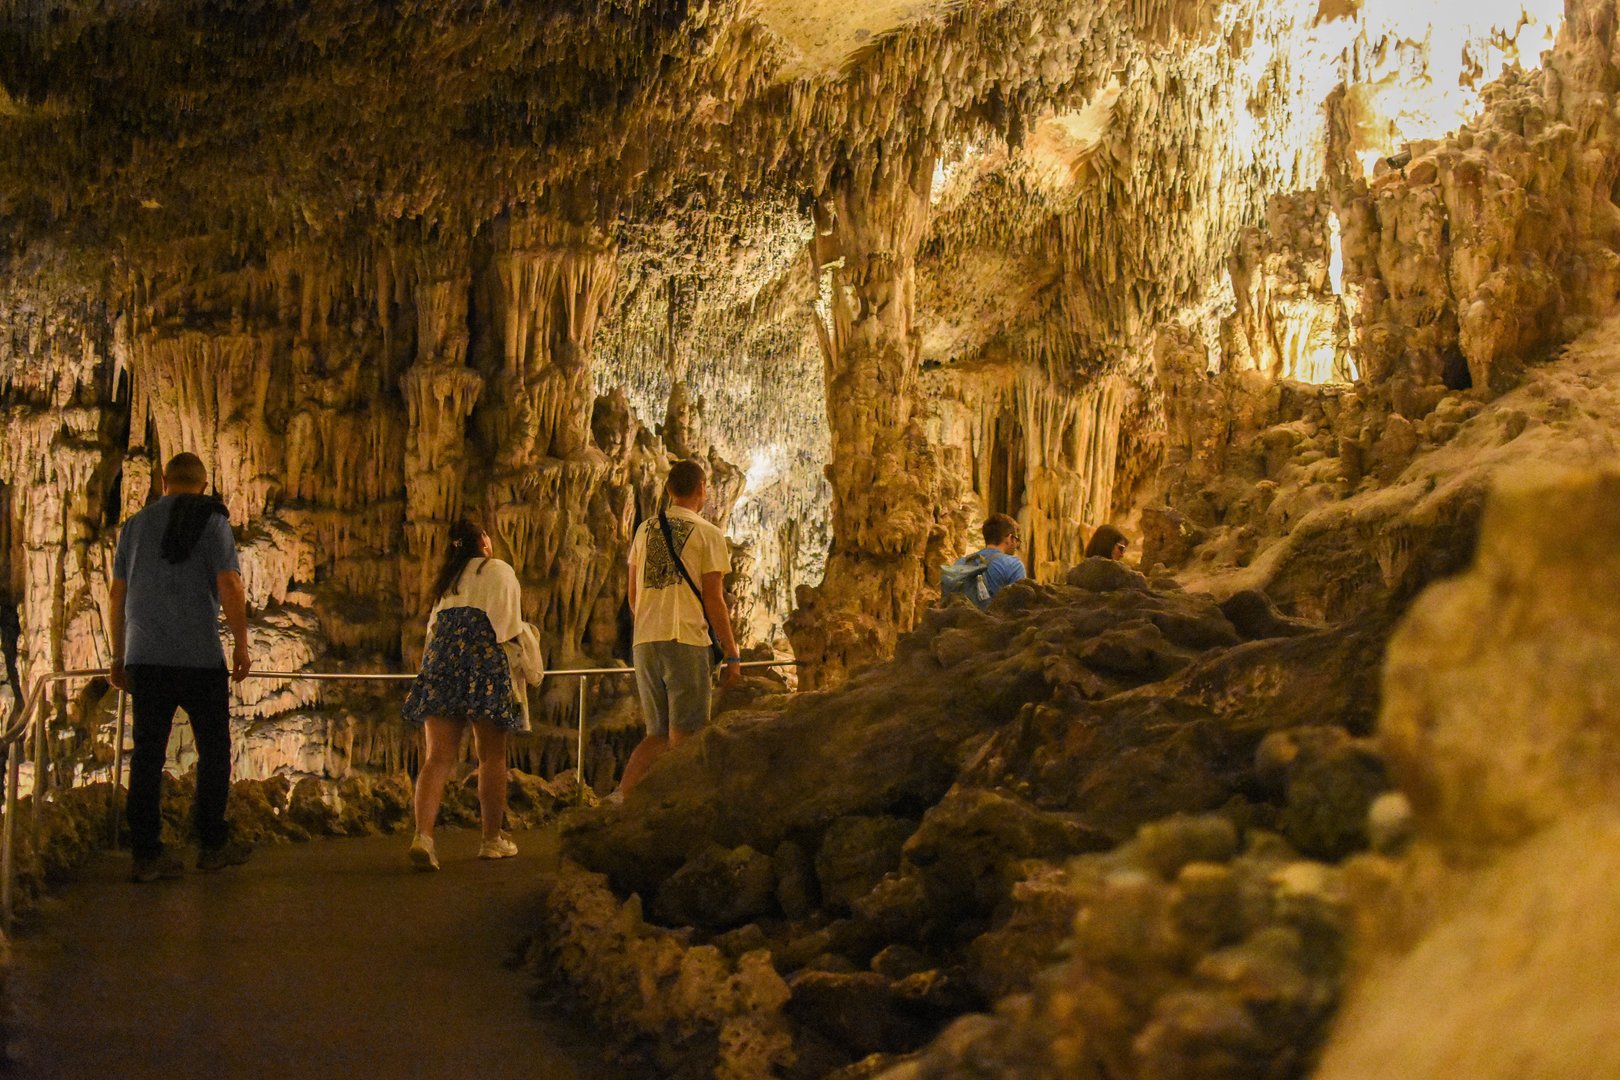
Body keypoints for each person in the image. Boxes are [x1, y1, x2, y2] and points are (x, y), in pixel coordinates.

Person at [108, 452, 252, 883]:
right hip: (199, 657)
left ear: (163, 481)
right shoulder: (212, 522)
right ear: (204, 485)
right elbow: (230, 583)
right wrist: (242, 645)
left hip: (146, 657)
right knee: (214, 751)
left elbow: (118, 594)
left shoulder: (133, 527)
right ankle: (211, 843)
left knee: (147, 756)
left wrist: (118, 654)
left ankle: (146, 854)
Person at [402, 519, 534, 871]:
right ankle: (491, 840)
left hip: (442, 663)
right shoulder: (498, 570)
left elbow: (433, 631)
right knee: (491, 757)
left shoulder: (447, 582)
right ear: (484, 541)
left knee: (437, 758)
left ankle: (423, 837)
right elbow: (507, 625)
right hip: (483, 663)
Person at [615, 459, 740, 800]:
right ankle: (683, 809)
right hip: (684, 638)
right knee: (687, 735)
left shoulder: (644, 530)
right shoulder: (708, 534)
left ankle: (622, 804)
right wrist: (732, 654)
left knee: (656, 735)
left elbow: (632, 594)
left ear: (668, 490)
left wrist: (649, 621)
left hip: (645, 641)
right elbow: (715, 600)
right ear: (703, 489)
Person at [943, 513, 1027, 608]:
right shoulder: (1013, 565)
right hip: (994, 622)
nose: (1016, 545)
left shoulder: (961, 563)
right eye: (1016, 539)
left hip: (962, 621)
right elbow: (1021, 609)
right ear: (1009, 538)